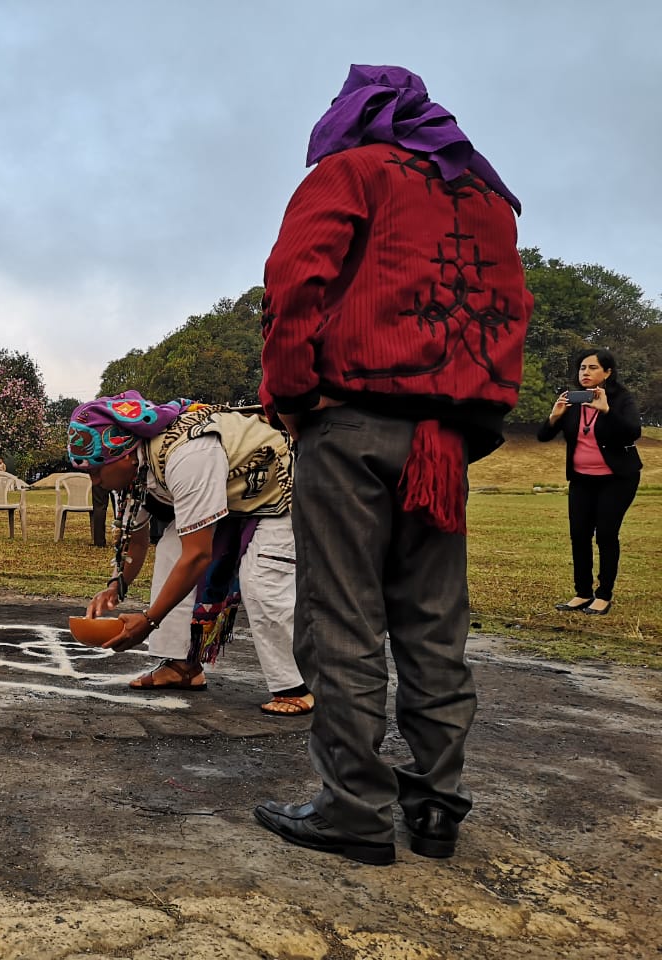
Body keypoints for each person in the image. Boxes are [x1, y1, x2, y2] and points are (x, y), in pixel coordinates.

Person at [253, 64, 533, 864]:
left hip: (354, 421)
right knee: (434, 624)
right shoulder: (487, 198)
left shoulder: (351, 173)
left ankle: (356, 810)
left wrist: (293, 394)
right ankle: (437, 805)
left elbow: (295, 283)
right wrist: (473, 416)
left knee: (342, 619)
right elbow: (508, 306)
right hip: (444, 440)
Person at [71, 392, 312, 716]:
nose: (95, 480)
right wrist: (116, 586)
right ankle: (181, 665)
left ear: (125, 452)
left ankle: (297, 685)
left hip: (278, 494)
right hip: (231, 499)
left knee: (262, 578)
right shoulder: (134, 473)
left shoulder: (188, 453)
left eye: (97, 469)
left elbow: (198, 555)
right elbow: (138, 540)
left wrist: (148, 621)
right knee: (171, 547)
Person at [537, 348, 642, 616]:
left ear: (607, 372)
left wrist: (606, 410)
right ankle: (582, 592)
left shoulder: (620, 399)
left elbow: (632, 432)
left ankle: (603, 595)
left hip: (617, 478)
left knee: (606, 534)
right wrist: (555, 415)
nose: (585, 372)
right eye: (582, 368)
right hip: (582, 479)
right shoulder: (571, 401)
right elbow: (543, 436)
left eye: (593, 368)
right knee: (579, 535)